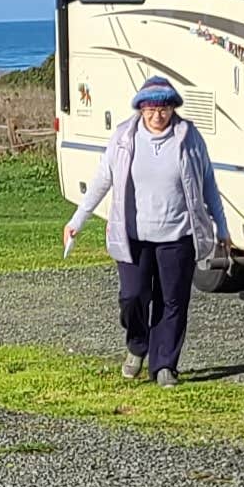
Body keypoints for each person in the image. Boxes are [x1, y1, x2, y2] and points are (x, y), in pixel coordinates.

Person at [63, 77, 227, 386]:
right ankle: (137, 345)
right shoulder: (124, 137)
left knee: (173, 302)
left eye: (164, 108)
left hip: (178, 236)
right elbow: (102, 180)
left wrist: (223, 228)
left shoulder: (188, 137)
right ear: (140, 109)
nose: (157, 115)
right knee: (133, 296)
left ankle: (165, 365)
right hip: (133, 236)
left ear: (173, 108)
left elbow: (208, 184)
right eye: (151, 108)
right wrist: (76, 221)